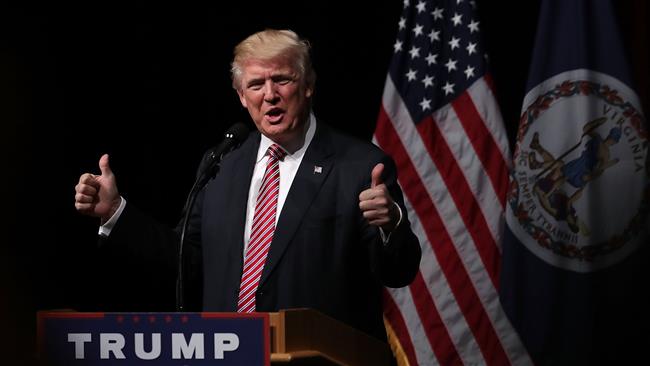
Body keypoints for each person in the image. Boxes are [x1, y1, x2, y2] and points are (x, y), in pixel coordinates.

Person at [74, 29, 421, 342]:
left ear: (308, 85)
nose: (270, 95)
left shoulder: (360, 167)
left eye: (282, 80)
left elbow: (398, 271)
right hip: (231, 351)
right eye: (256, 85)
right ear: (241, 96)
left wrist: (391, 225)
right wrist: (117, 212)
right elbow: (184, 263)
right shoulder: (222, 164)